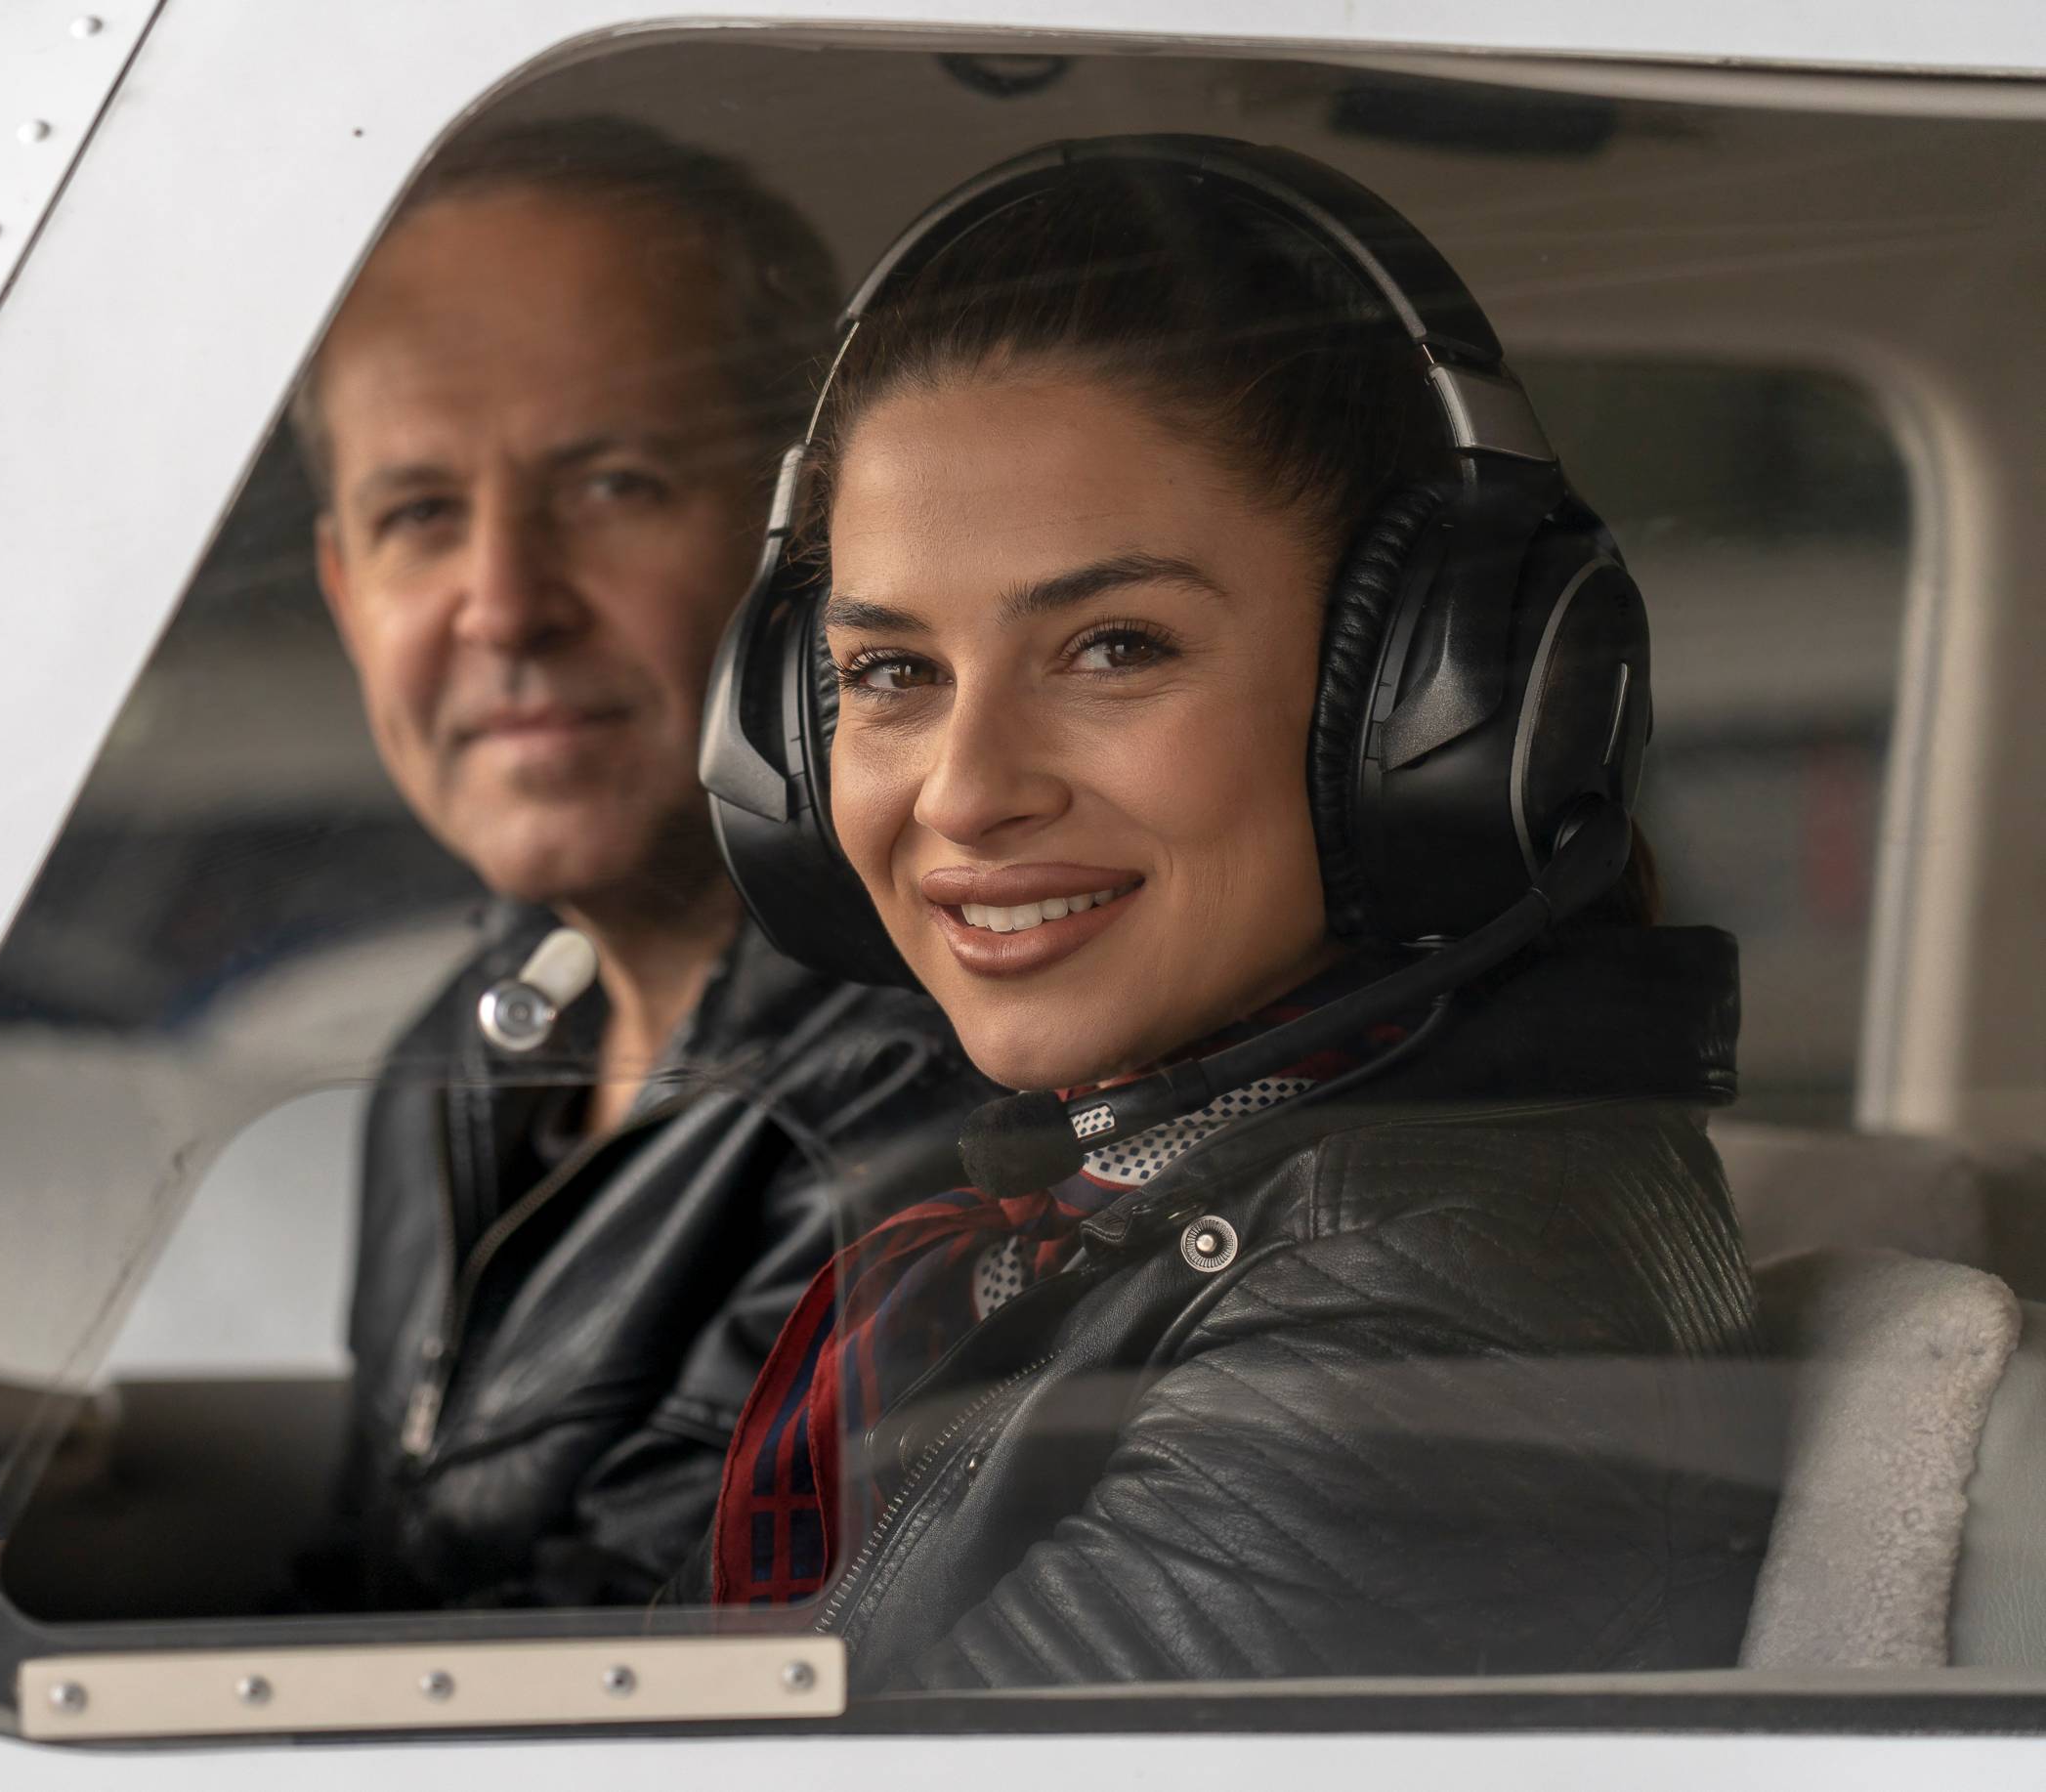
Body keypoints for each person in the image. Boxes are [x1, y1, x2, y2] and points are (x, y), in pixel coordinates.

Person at [696, 140, 1775, 1685]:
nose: (963, 791)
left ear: (1418, 705)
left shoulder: (1421, 1304)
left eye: (1114, 647)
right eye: (889, 671)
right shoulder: (1157, 1206)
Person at [297, 117, 991, 1609]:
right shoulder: (461, 1052)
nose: (503, 603)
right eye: (419, 514)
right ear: (346, 591)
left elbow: (613, 1671)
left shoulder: (926, 1085)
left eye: (612, 484)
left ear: (814, 542)